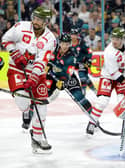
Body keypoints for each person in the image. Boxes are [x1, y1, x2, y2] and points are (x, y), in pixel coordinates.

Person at [1, 6, 56, 153]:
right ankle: (27, 111)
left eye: (40, 19)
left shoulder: (50, 39)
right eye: (35, 17)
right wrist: (14, 52)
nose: (36, 21)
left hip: (37, 75)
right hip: (16, 70)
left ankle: (37, 138)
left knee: (42, 107)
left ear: (46, 22)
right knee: (23, 101)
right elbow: (5, 39)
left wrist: (33, 78)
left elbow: (42, 61)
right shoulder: (21, 26)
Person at [86, 27, 125, 135]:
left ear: (123, 39)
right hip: (109, 76)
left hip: (124, 74)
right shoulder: (109, 52)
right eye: (113, 38)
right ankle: (92, 123)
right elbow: (114, 74)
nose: (114, 41)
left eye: (117, 39)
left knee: (124, 101)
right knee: (102, 101)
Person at [46, 32, 93, 115]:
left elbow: (67, 73)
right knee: (44, 92)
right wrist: (47, 66)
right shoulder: (53, 49)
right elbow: (47, 60)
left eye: (67, 44)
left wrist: (63, 81)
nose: (65, 46)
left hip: (66, 77)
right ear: (59, 43)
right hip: (52, 75)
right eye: (63, 43)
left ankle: (93, 117)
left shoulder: (72, 56)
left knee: (79, 96)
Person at [70, 27, 97, 95]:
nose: (73, 36)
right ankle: (94, 89)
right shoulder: (68, 43)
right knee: (86, 78)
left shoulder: (82, 43)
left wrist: (89, 60)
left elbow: (89, 51)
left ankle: (83, 90)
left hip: (82, 62)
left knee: (82, 74)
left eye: (75, 35)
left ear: (77, 35)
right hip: (73, 63)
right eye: (72, 34)